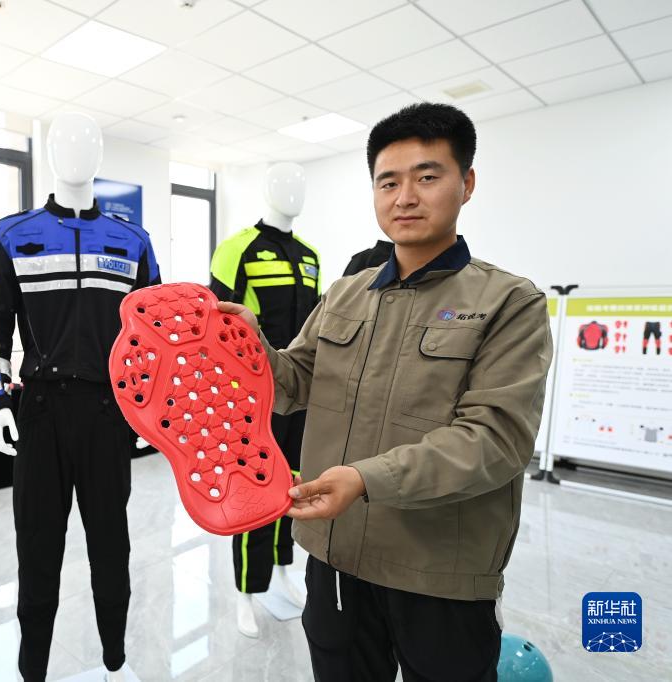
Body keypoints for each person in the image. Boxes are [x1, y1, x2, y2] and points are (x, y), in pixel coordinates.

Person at [218, 103, 553, 681]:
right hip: (336, 558)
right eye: (388, 182)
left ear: (467, 183)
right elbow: (292, 381)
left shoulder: (508, 303)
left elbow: (495, 441)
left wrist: (364, 479)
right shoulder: (345, 295)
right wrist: (251, 347)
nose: (405, 198)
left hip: (439, 574)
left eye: (427, 176)